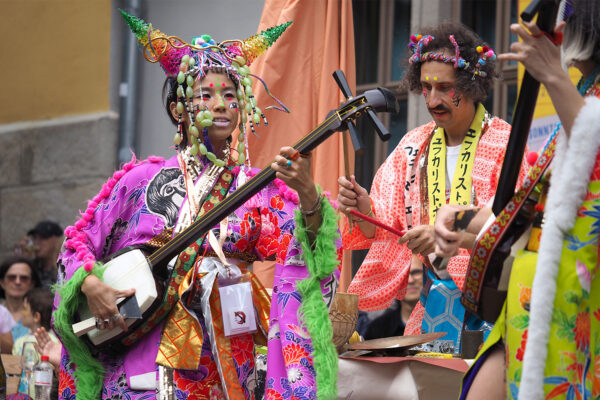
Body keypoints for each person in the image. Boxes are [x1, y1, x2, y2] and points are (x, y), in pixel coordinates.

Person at [52, 11, 341, 400]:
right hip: (140, 357)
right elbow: (76, 244)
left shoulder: (256, 188)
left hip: (221, 360)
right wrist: (89, 284)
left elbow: (304, 253)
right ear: (178, 110)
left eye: (230, 95)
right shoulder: (139, 181)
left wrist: (308, 195)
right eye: (206, 95)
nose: (221, 104)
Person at [434, 1, 600, 398]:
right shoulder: (581, 92)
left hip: (580, 298)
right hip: (531, 292)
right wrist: (459, 219)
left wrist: (553, 77)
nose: (558, 26)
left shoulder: (572, 93)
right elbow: (527, 208)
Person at [337, 21, 530, 348]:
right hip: (431, 309)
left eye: (445, 87)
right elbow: (382, 226)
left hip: (492, 305)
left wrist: (446, 239)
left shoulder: (506, 144)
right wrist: (363, 207)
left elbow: (514, 229)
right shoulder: (412, 146)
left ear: (470, 85)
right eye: (426, 87)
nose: (432, 99)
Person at [356, 258, 423, 339]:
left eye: (416, 272)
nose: (410, 280)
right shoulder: (377, 329)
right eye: (403, 275)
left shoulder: (440, 322)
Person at [0, 257, 40, 345]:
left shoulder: (40, 315)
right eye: (12, 277)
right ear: (2, 283)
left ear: (32, 284)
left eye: (24, 278)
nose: (17, 281)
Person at [23, 220, 63, 287]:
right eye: (35, 238)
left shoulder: (64, 268)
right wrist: (23, 259)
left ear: (57, 239)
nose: (37, 242)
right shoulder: (32, 267)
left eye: (43, 237)